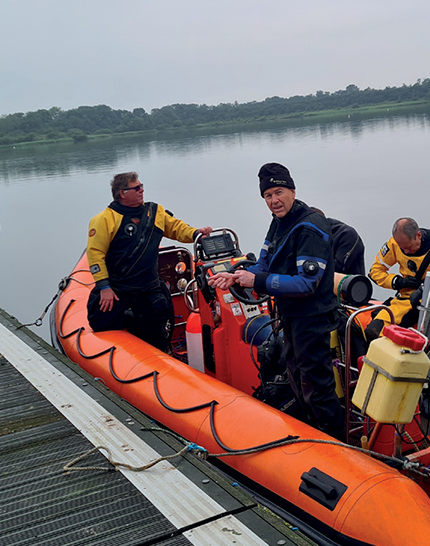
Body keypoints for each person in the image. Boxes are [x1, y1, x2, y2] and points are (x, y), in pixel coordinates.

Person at [208, 163, 345, 439]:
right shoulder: (279, 222)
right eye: (268, 196)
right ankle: (311, 432)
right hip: (291, 317)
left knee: (317, 386)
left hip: (313, 319)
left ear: (292, 191)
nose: (274, 201)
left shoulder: (309, 227)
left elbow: (307, 283)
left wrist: (256, 281)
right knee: (295, 376)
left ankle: (337, 441)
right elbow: (265, 262)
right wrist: (236, 276)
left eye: (279, 192)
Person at [86, 171, 212, 352]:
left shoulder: (155, 212)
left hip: (148, 288)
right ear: (123, 193)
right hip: (118, 288)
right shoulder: (104, 220)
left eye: (142, 186)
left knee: (156, 337)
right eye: (137, 188)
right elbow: (95, 254)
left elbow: (176, 228)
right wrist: (104, 287)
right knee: (100, 323)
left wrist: (196, 234)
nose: (142, 191)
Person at [366, 217, 430, 341]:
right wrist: (397, 282)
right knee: (374, 331)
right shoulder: (394, 244)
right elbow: (375, 271)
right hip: (407, 300)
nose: (406, 251)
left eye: (409, 247)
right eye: (402, 248)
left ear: (418, 235)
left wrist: (424, 289)